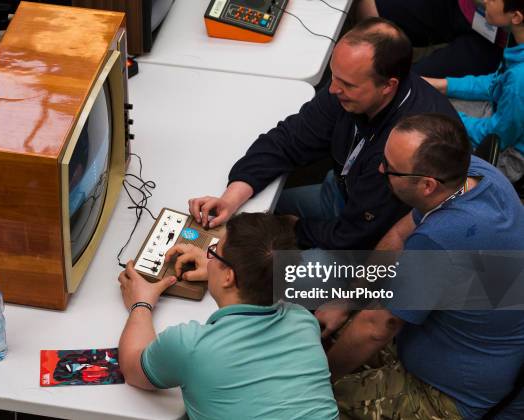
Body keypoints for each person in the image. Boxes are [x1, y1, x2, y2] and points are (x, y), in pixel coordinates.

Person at [316, 113, 524, 419]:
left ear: (427, 185)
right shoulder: (474, 175)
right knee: (323, 335)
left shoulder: (442, 238)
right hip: (441, 338)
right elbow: (401, 235)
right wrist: (347, 301)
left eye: (390, 169)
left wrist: (319, 380)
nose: (380, 168)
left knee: (312, 403)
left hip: (450, 392)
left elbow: (378, 327)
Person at [188, 18, 457, 251]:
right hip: (341, 194)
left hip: (368, 245)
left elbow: (355, 237)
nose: (332, 89)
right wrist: (231, 197)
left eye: (346, 84)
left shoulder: (404, 148)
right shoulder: (348, 91)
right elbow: (290, 139)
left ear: (388, 85)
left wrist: (295, 228)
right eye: (334, 76)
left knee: (260, 276)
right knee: (248, 219)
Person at [117, 213, 338, 419]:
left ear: (229, 277)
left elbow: (131, 369)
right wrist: (220, 270)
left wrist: (141, 303)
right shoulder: (303, 320)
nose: (208, 259)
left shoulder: (189, 345)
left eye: (213, 253)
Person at [424, 0, 524, 182]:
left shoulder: (519, 79)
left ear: (516, 16)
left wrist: (449, 116)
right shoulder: (518, 48)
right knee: (429, 104)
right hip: (500, 117)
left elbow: (498, 135)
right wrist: (443, 85)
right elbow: (496, 83)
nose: (484, 1)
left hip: (510, 155)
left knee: (426, 137)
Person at [354, 0, 507, 78]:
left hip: (497, 41)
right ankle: (363, 68)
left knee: (410, 79)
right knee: (368, 7)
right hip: (461, 7)